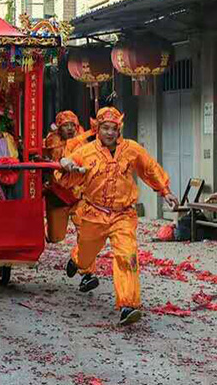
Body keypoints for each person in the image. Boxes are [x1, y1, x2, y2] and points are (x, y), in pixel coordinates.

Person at [57, 107, 178, 326]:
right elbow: (64, 172)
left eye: (114, 128)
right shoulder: (85, 152)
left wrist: (165, 191)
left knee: (127, 256)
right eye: (105, 128)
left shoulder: (131, 149)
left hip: (123, 215)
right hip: (94, 213)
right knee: (86, 256)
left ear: (119, 129)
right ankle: (77, 260)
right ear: (97, 129)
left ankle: (128, 305)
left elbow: (150, 168)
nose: (110, 133)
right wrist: (67, 166)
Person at [44, 111, 94, 243]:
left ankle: (83, 259)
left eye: (73, 125)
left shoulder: (82, 142)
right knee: (55, 237)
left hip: (79, 192)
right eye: (66, 125)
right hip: (58, 193)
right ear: (59, 128)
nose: (70, 128)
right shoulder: (52, 141)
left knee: (84, 229)